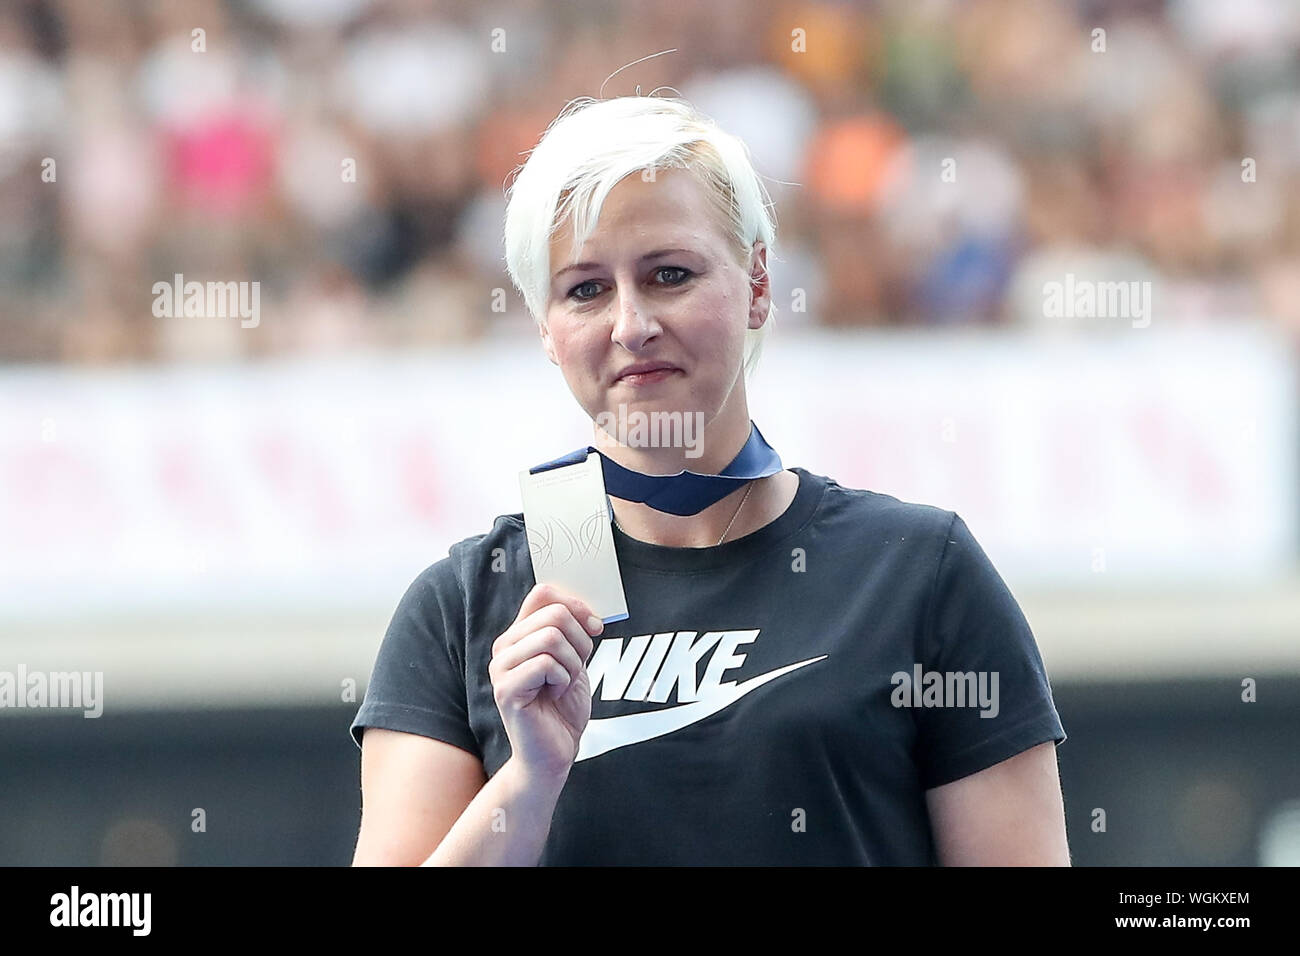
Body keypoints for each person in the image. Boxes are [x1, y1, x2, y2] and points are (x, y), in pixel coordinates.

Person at [349, 95, 1070, 866]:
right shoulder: (464, 606)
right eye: (585, 289)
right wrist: (528, 781)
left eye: (669, 274)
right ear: (546, 331)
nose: (630, 325)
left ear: (759, 285)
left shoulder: (919, 572)